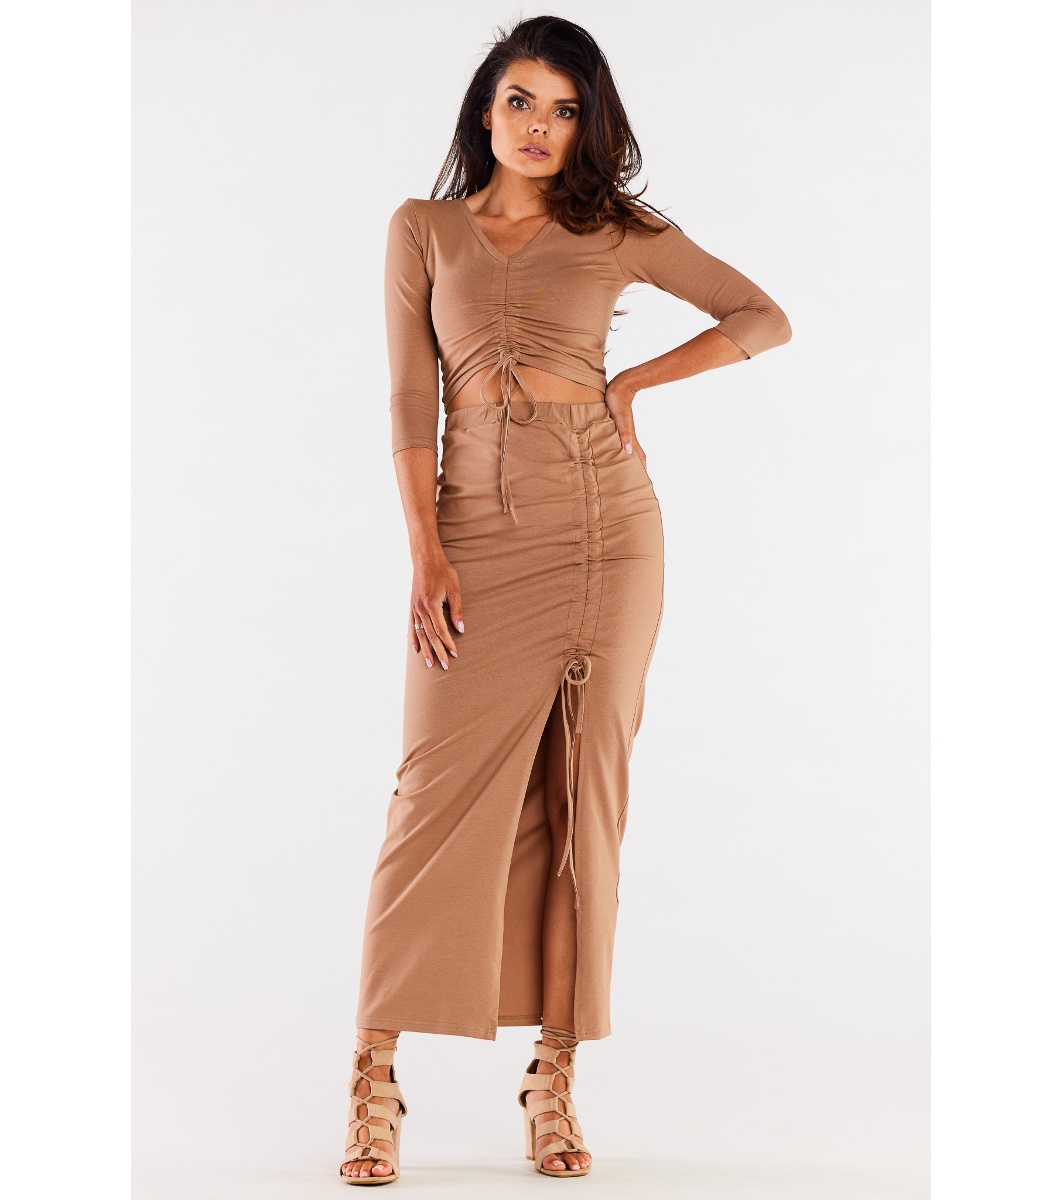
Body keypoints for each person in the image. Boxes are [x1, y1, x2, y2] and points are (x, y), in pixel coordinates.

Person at [341, 14, 792, 1185]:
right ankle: (373, 1079)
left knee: (584, 797)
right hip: (474, 533)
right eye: (522, 102)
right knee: (430, 796)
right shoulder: (424, 228)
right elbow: (408, 399)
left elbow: (762, 316)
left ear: (588, 125)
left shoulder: (615, 227)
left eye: (566, 109)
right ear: (484, 111)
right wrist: (426, 551)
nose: (541, 127)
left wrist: (634, 382)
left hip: (606, 530)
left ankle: (554, 1080)